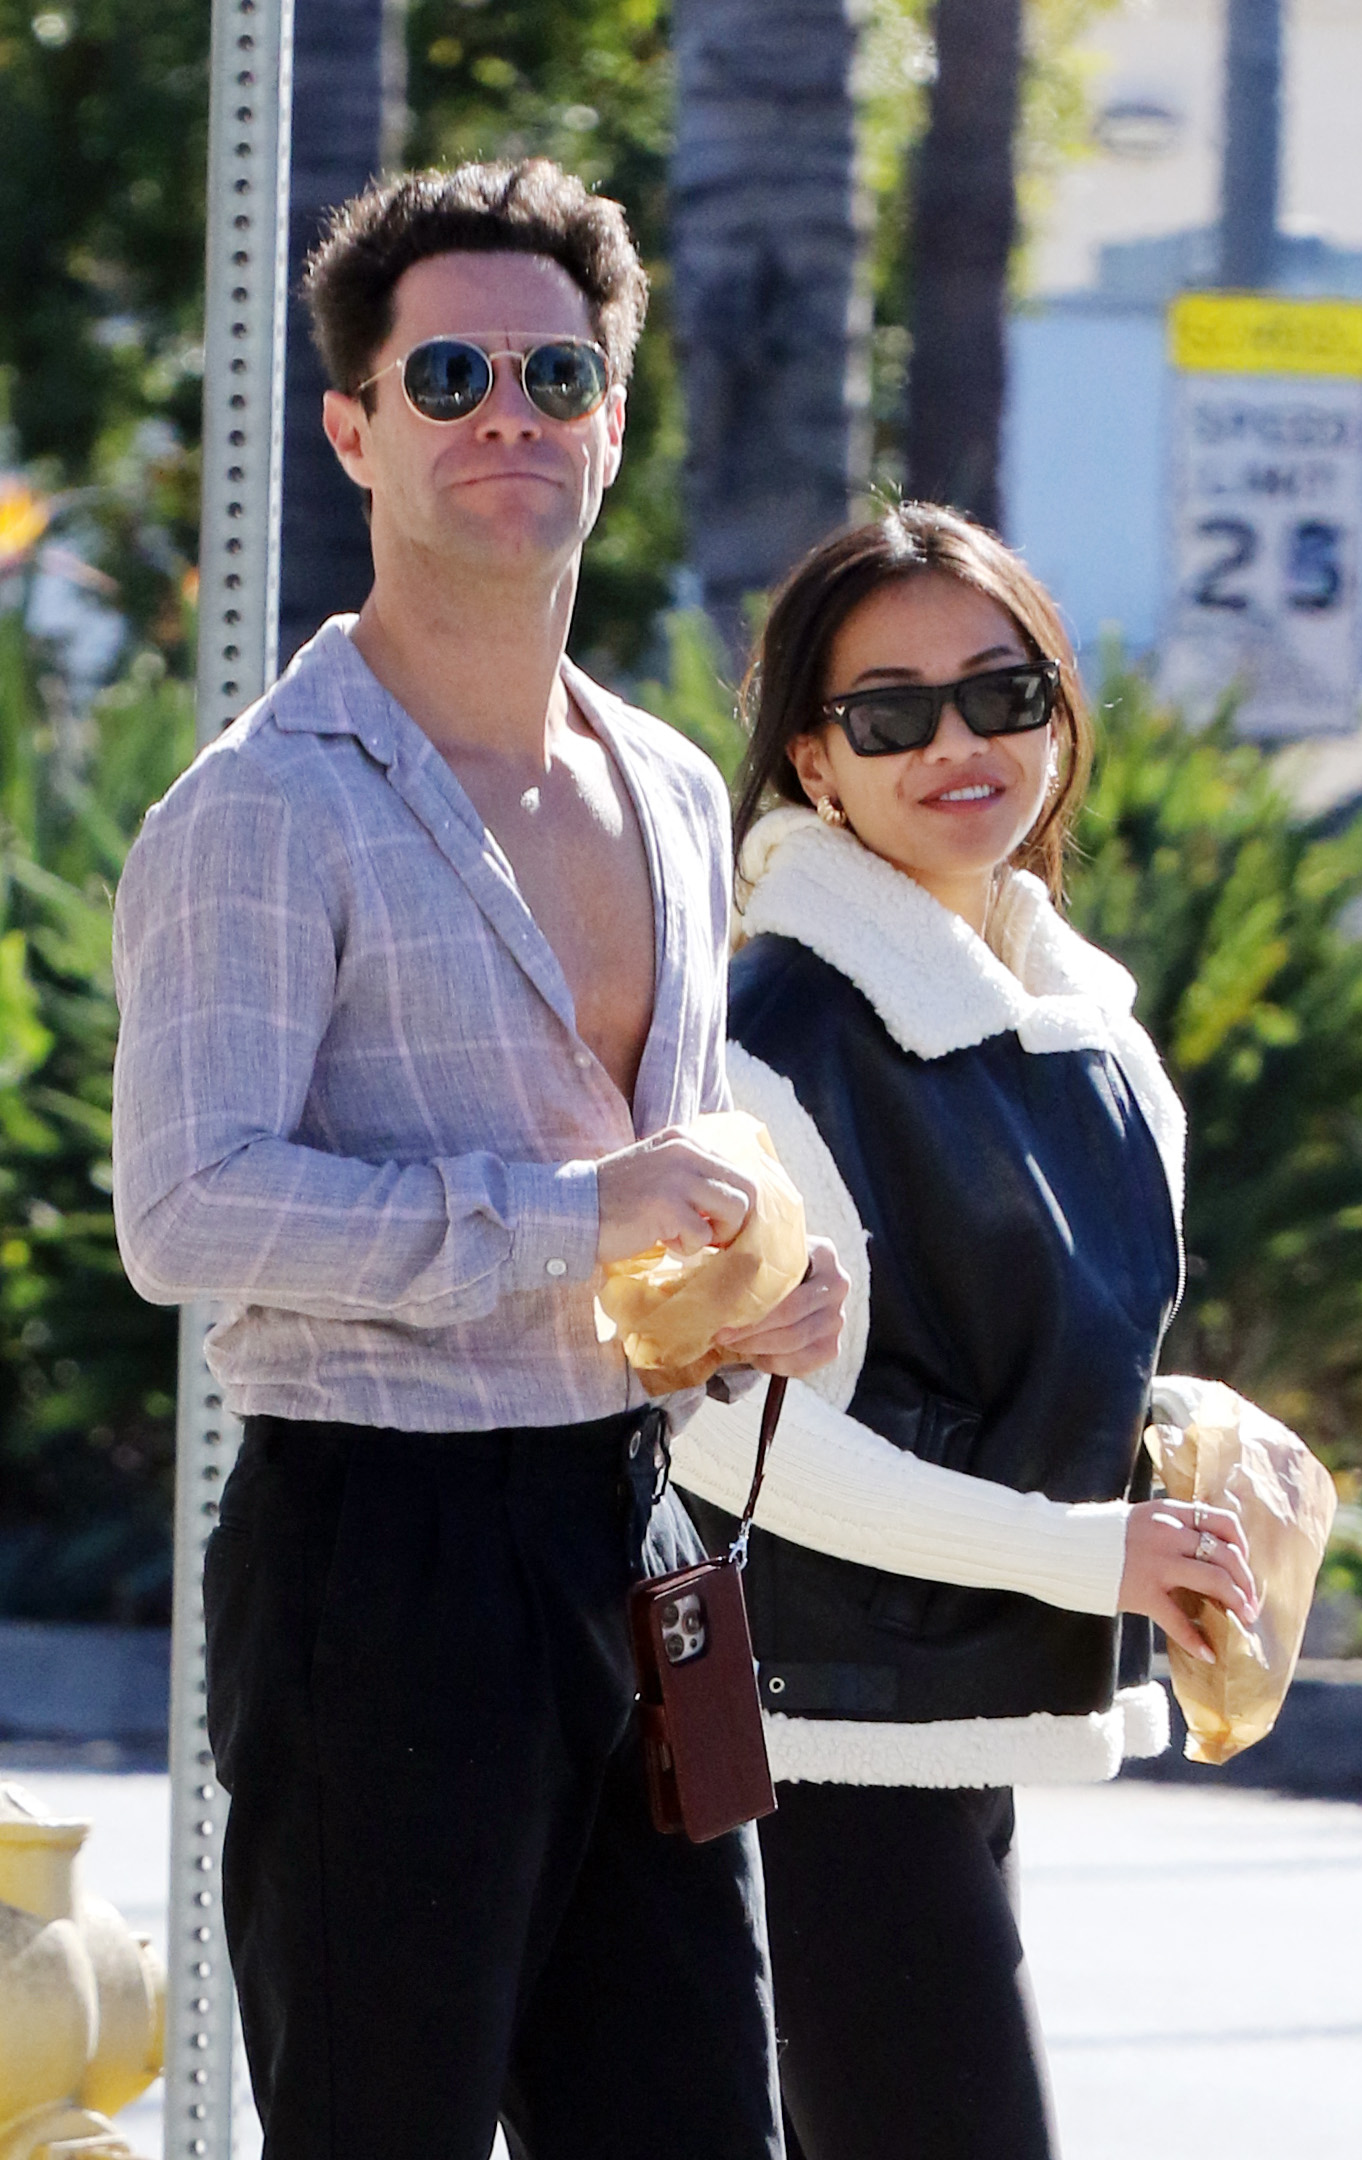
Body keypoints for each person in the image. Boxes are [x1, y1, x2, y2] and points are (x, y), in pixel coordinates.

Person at [110, 159, 845, 2160]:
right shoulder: (265, 809)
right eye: (449, 374)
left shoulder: (679, 792)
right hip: (380, 1558)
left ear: (613, 417)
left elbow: (656, 1162)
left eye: (555, 368)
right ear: (355, 428)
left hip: (637, 1530)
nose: (509, 410)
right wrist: (559, 1225)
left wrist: (748, 1289)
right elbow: (187, 1212)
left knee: (700, 2127)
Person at [672, 503, 1260, 2159]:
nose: (957, 743)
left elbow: (1014, 1352)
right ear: (817, 755)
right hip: (809, 1740)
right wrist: (1095, 1556)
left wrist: (1196, 1466)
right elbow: (729, 1434)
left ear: (1061, 720)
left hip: (941, 1725)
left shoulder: (1083, 1027)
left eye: (1004, 695)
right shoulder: (774, 1034)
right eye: (892, 711)